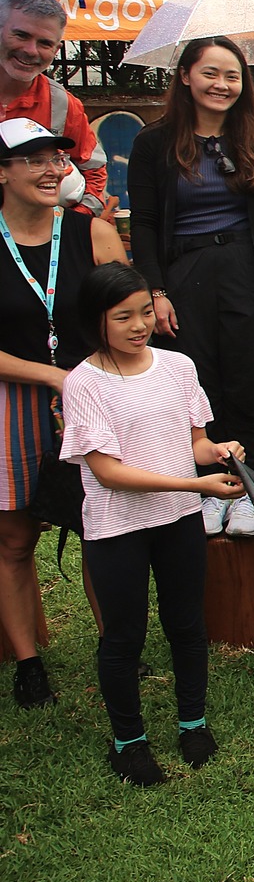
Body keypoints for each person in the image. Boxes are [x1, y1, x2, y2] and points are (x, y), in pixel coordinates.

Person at [61, 262, 246, 786]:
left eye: (145, 311)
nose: (140, 325)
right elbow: (108, 473)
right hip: (117, 526)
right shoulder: (83, 383)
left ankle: (193, 723)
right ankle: (129, 742)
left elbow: (194, 444)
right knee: (124, 637)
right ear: (97, 321)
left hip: (178, 520)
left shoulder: (177, 367)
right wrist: (197, 486)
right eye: (124, 317)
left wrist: (219, 451)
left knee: (187, 625)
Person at [127, 37, 254, 535]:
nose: (222, 85)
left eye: (232, 76)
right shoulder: (154, 143)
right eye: (210, 73)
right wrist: (156, 292)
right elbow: (143, 224)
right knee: (199, 391)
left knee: (247, 389)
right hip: (183, 277)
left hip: (244, 275)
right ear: (186, 76)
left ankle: (247, 488)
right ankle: (213, 486)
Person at [0, 118, 123, 708]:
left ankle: (116, 646)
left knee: (101, 528)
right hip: (13, 403)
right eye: (33, 160)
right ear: (2, 173)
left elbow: (126, 316)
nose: (53, 169)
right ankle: (29, 665)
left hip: (90, 398)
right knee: (15, 539)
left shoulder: (90, 233)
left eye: (57, 157)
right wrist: (51, 374)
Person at [0, 0, 110, 219]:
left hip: (34, 240)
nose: (31, 50)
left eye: (44, 43)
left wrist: (75, 223)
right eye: (20, 35)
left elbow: (94, 169)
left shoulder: (61, 104)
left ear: (56, 50)